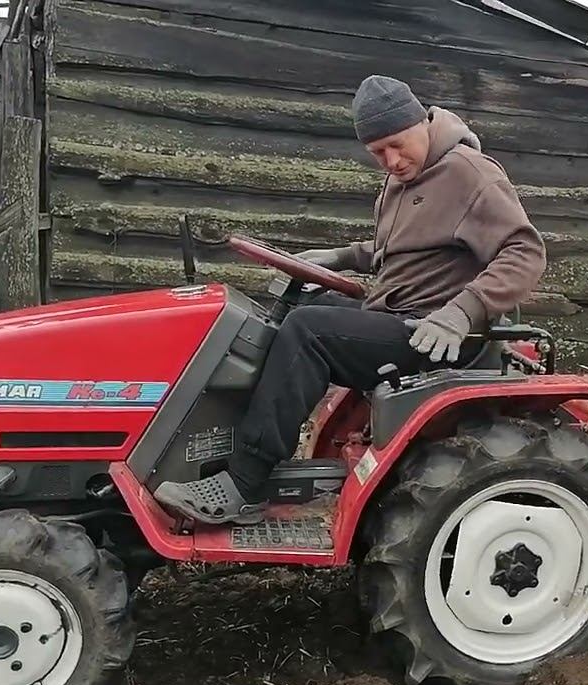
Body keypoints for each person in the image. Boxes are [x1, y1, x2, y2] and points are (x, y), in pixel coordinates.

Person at [153, 75, 547, 525]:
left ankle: (245, 482)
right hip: (397, 316)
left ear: (422, 122)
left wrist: (461, 312)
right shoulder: (404, 178)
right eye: (377, 152)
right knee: (299, 313)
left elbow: (525, 251)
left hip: (434, 334)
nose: (391, 161)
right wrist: (340, 256)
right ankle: (228, 453)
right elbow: (402, 246)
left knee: (308, 332)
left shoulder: (470, 173)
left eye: (397, 145)